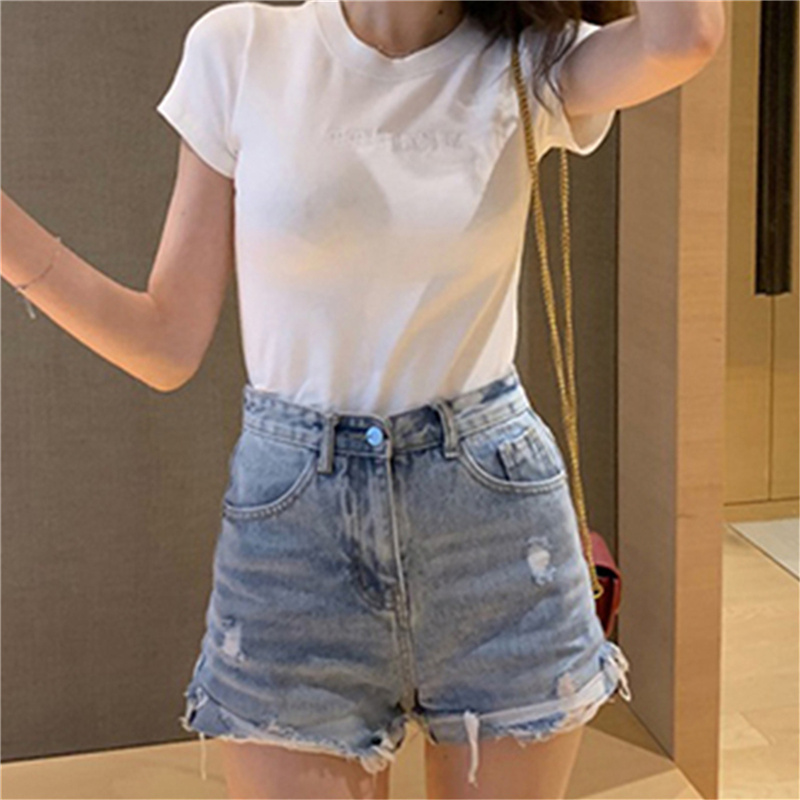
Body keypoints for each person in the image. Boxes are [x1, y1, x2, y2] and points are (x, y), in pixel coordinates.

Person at [1, 1, 725, 797]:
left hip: (494, 532)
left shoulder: (530, 59)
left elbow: (685, 37)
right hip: (295, 545)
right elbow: (165, 344)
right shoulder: (239, 47)